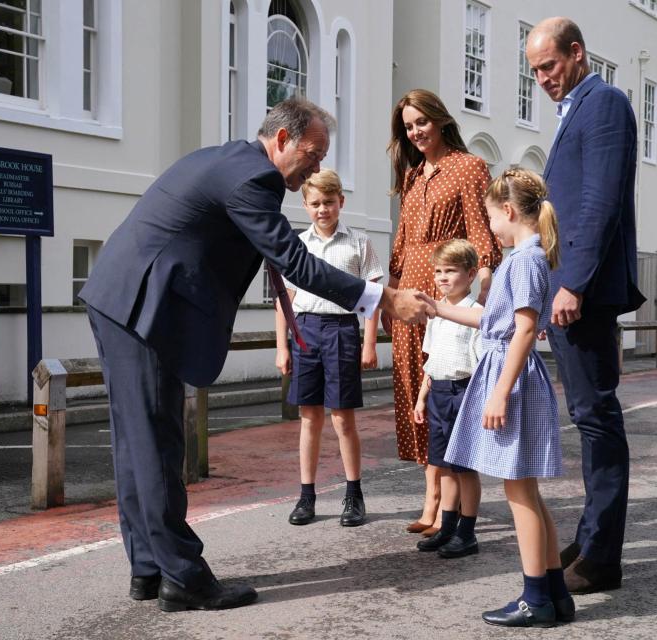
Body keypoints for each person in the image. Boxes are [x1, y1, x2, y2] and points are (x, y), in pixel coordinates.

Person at [79, 98, 433, 612]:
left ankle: (150, 569)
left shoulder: (229, 160)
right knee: (155, 443)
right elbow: (295, 262)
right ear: (283, 140)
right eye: (313, 154)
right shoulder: (254, 179)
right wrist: (384, 299)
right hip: (141, 307)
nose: (317, 167)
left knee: (137, 444)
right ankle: (183, 578)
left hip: (122, 299)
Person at [526, 18, 646, 594]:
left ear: (577, 53)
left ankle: (601, 555)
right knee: (589, 417)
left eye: (549, 65)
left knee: (598, 420)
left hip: (585, 292)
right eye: (535, 71)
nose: (542, 78)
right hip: (573, 289)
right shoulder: (578, 108)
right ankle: (591, 537)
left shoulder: (605, 103)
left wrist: (570, 284)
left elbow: (598, 202)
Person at [432, 169, 574, 627]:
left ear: (509, 212)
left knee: (519, 493)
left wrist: (500, 392)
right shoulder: (526, 258)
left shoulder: (523, 261)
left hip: (510, 379)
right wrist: (436, 308)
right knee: (525, 491)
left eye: (491, 218)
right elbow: (496, 325)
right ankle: (553, 594)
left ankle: (536, 598)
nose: (490, 227)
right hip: (508, 372)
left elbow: (526, 330)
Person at [385, 89, 502, 535]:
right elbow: (400, 243)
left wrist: (486, 284)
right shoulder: (414, 175)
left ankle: (444, 502)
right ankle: (431, 494)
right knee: (416, 393)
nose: (415, 132)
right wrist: (391, 294)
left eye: (421, 122)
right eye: (408, 126)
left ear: (439, 119)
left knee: (444, 391)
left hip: (444, 293)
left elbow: (481, 231)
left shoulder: (469, 167)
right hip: (408, 295)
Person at [274, 168, 383, 528]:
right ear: (305, 205)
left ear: (341, 202)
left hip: (341, 331)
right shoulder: (298, 245)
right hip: (305, 330)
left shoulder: (358, 243)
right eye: (316, 203)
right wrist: (282, 347)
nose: (323, 209)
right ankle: (307, 495)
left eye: (329, 202)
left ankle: (354, 494)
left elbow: (373, 297)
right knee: (309, 417)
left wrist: (369, 343)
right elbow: (284, 302)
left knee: (342, 417)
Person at [413, 239, 483, 558]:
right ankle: (447, 527)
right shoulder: (436, 313)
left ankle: (467, 534)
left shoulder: (476, 313)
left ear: (470, 275)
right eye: (439, 270)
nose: (442, 277)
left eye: (451, 271)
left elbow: (482, 363)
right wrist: (421, 398)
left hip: (464, 392)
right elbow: (432, 360)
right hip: (439, 393)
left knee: (464, 468)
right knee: (443, 466)